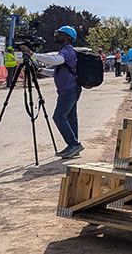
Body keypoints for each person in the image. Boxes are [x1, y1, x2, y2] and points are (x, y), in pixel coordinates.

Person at [20, 26, 84, 158]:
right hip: (69, 89)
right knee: (71, 117)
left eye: (59, 34)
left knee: (59, 116)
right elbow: (58, 72)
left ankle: (73, 144)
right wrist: (42, 71)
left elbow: (56, 61)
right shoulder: (65, 51)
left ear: (68, 37)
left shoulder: (67, 51)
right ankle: (74, 146)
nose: (56, 36)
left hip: (69, 90)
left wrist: (33, 54)